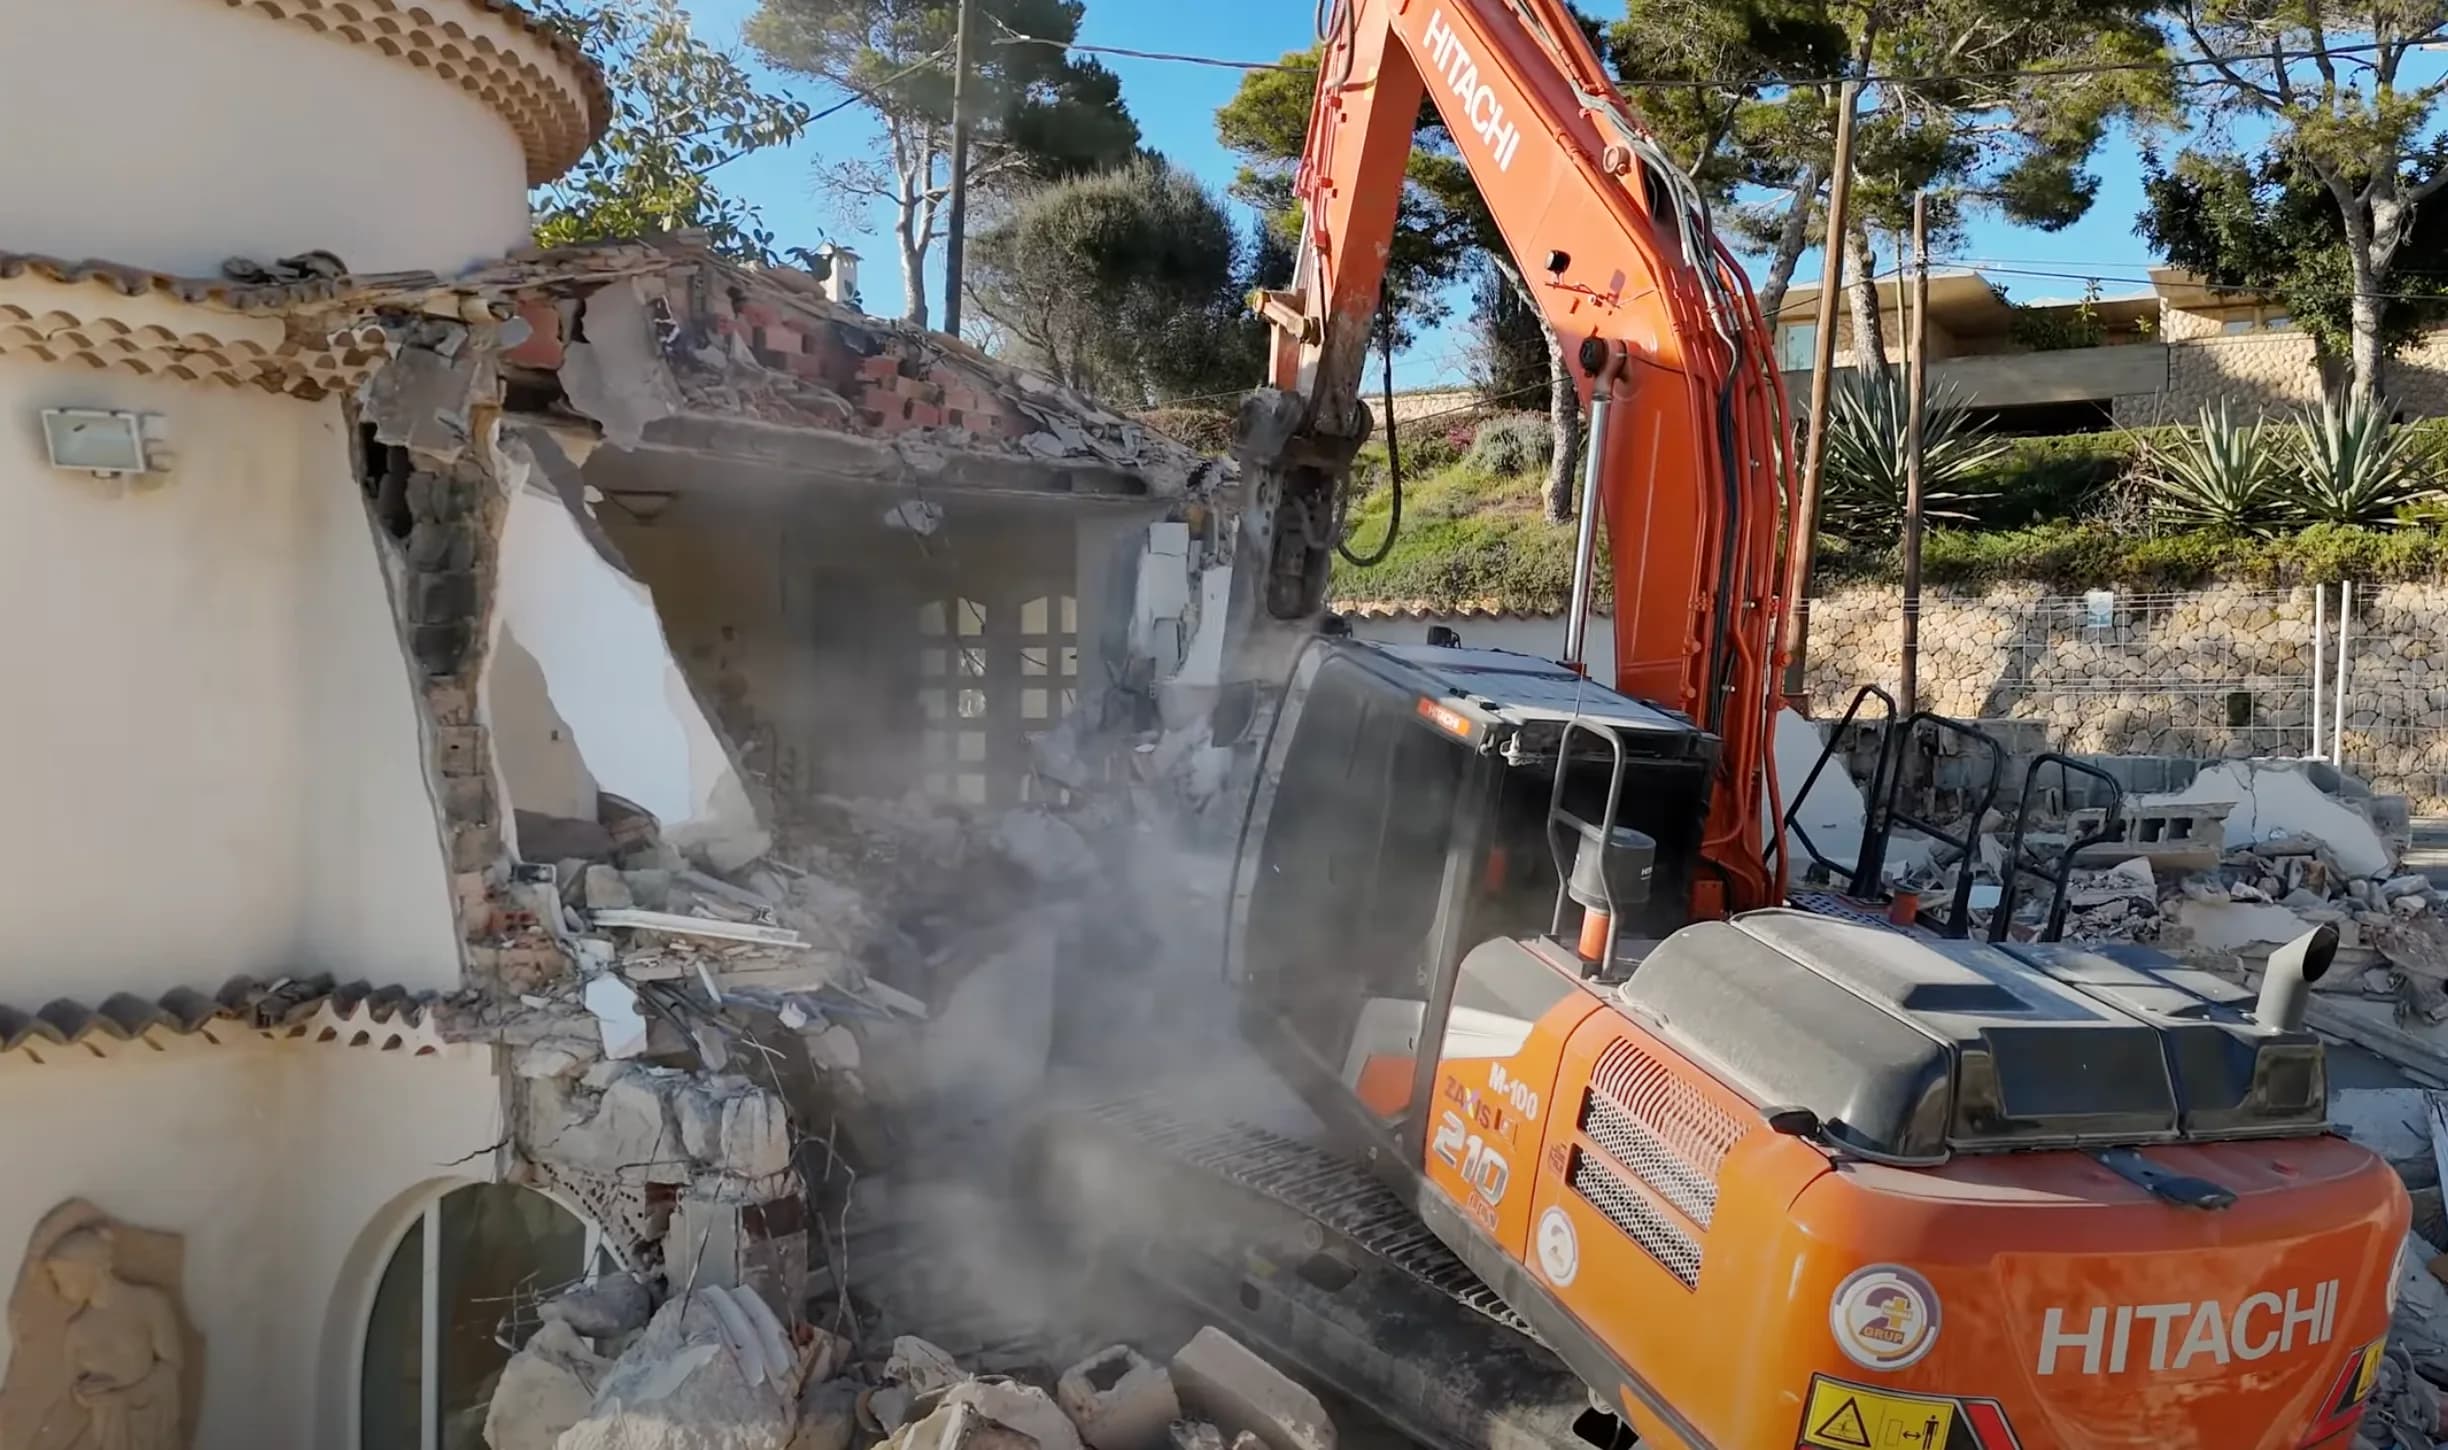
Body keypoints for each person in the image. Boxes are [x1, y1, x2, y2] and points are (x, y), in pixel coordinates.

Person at [38, 1228, 183, 1450]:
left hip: (146, 1433)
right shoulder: (76, 1330)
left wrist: (124, 1397)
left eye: (64, 1277)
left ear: (90, 1268)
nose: (59, 1288)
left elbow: (172, 1368)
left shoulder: (149, 1304)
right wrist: (83, 1395)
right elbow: (69, 1396)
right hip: (104, 1436)